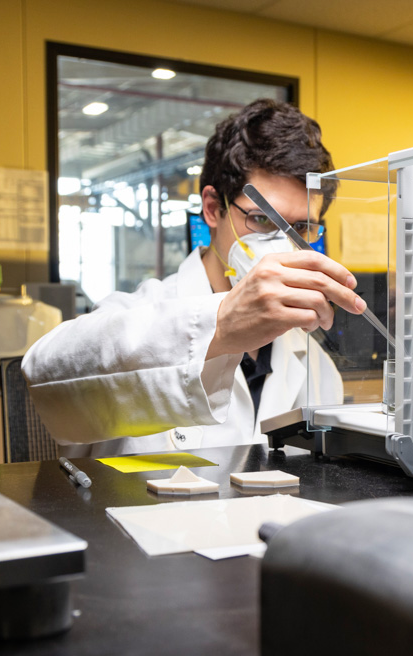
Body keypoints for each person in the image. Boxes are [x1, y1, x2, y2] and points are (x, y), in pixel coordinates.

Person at [22, 98, 367, 456]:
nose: (283, 245)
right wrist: (220, 324)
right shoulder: (142, 310)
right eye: (262, 220)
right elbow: (46, 374)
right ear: (213, 208)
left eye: (302, 227)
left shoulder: (314, 364)